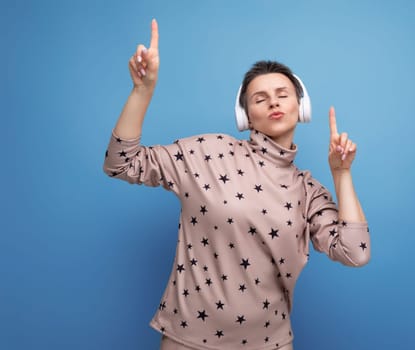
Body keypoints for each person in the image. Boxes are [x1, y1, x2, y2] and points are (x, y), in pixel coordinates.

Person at [103, 19, 371, 350]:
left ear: (301, 107)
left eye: (282, 94)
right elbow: (121, 162)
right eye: (260, 98)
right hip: (187, 339)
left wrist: (342, 174)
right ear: (245, 116)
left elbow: (355, 252)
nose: (273, 102)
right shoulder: (208, 152)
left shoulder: (307, 190)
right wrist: (142, 92)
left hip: (269, 344)